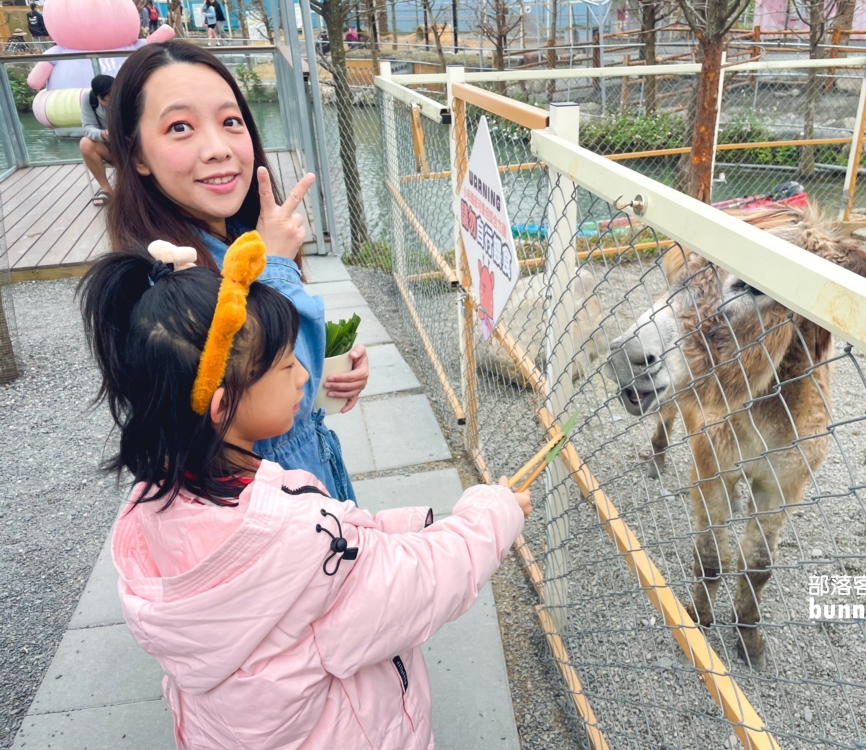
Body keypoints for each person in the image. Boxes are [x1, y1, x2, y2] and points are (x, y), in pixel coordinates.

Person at [77, 235, 531, 749]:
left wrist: (384, 532)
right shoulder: (299, 540)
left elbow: (342, 572)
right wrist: (492, 514)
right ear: (223, 406)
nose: (305, 375)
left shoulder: (155, 505)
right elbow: (417, 585)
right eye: (287, 365)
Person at [106, 41, 367, 502]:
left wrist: (326, 366)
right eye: (180, 127)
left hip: (308, 472)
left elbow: (292, 386)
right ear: (138, 154)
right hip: (270, 506)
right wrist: (280, 267)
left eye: (231, 122)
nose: (218, 149)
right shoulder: (167, 282)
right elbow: (267, 406)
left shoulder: (242, 237)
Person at [80, 74, 115, 207]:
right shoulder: (89, 99)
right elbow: (87, 127)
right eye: (105, 101)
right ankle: (106, 188)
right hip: (110, 147)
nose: (110, 103)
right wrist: (103, 134)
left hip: (131, 148)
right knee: (85, 143)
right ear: (97, 97)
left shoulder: (128, 96)